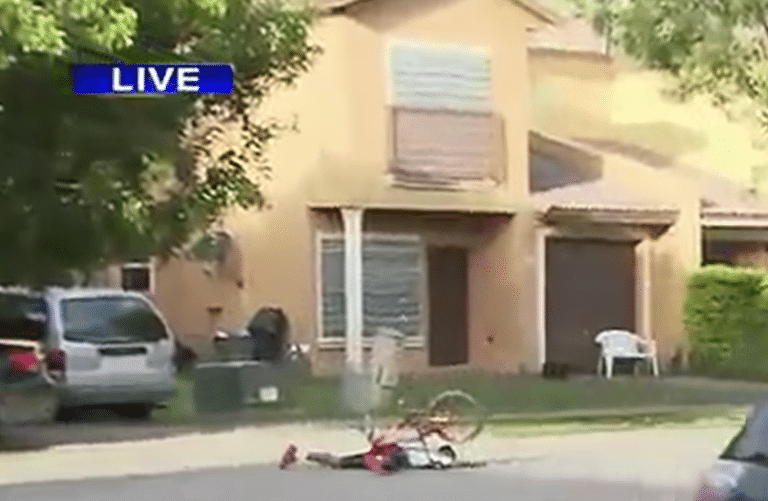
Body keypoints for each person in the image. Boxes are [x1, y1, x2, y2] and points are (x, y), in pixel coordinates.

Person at [279, 422, 458, 474]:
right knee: (340, 462)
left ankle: (302, 455)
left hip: (397, 455)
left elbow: (446, 459)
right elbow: (418, 433)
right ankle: (301, 454)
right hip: (394, 451)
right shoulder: (428, 445)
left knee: (339, 462)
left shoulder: (438, 458)